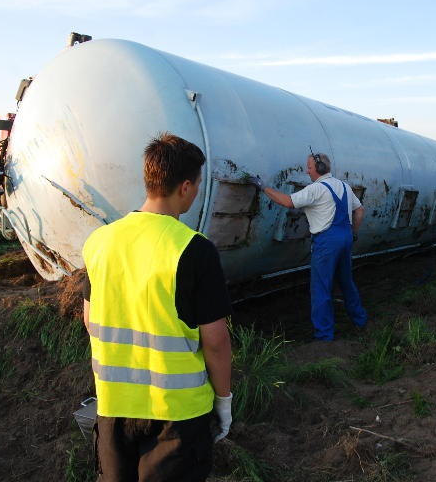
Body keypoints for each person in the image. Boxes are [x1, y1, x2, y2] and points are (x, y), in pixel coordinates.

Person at [82, 133, 233, 481]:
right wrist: (223, 401)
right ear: (184, 186)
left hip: (113, 407)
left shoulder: (100, 241)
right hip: (178, 417)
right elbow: (215, 340)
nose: (195, 193)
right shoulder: (194, 248)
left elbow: (91, 319)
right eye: (196, 185)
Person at [247, 152, 368, 341]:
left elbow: (288, 202)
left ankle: (324, 336)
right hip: (345, 238)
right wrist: (353, 232)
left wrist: (264, 188)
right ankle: (360, 321)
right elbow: (359, 211)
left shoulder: (316, 189)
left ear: (318, 169)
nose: (307, 170)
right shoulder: (344, 186)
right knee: (346, 282)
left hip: (327, 241)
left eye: (309, 167)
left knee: (321, 288)